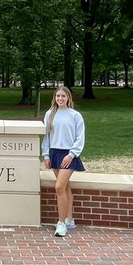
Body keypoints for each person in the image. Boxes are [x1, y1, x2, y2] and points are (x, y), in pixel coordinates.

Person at [41, 86, 85, 237]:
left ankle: (61, 224)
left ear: (68, 98)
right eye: (58, 96)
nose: (60, 98)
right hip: (54, 153)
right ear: (55, 97)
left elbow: (80, 137)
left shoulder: (75, 115)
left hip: (68, 155)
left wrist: (72, 154)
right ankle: (70, 220)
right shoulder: (49, 114)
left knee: (59, 187)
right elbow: (46, 136)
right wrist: (46, 155)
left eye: (63, 96)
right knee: (65, 187)